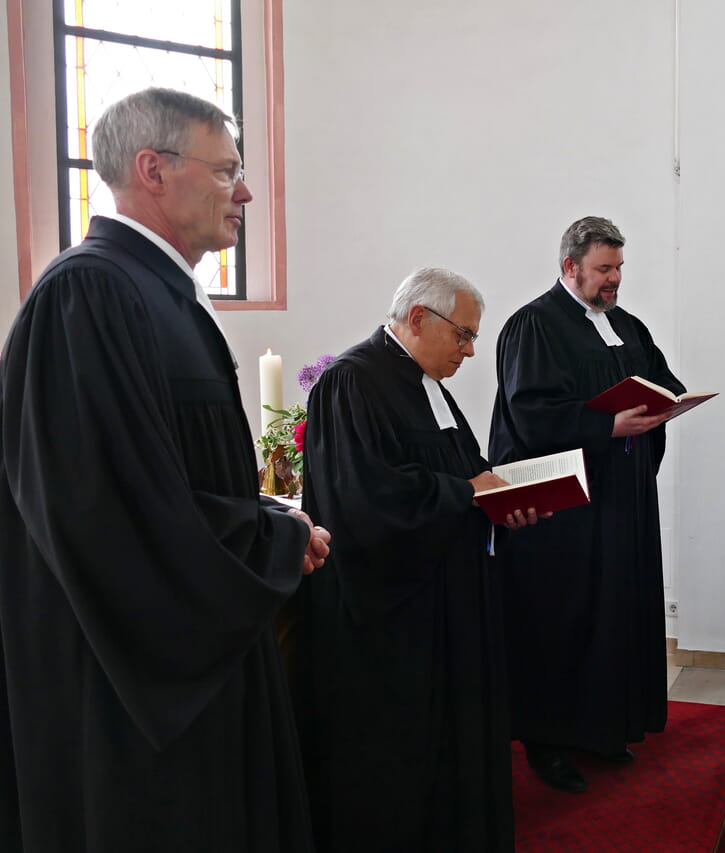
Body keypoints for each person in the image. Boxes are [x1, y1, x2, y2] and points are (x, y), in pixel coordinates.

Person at [0, 87, 329, 851]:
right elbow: (104, 510)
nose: (244, 191)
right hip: (128, 683)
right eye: (225, 172)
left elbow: (172, 483)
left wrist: (268, 520)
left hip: (192, 648)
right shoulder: (87, 294)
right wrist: (269, 537)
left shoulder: (153, 292)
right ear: (152, 169)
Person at [294, 268, 542, 852]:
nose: (471, 350)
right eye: (463, 334)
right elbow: (369, 500)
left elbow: (467, 468)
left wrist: (507, 501)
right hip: (391, 617)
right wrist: (471, 494)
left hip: (447, 603)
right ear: (417, 319)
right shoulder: (351, 382)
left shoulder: (427, 382)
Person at [489, 216, 685, 793]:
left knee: (617, 610)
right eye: (604, 269)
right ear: (570, 266)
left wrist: (668, 404)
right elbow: (529, 413)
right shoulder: (533, 326)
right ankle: (548, 743)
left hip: (624, 500)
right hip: (567, 510)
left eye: (619, 268)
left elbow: (661, 381)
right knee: (563, 620)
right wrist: (605, 424)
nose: (614, 280)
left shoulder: (626, 326)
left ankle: (605, 728)